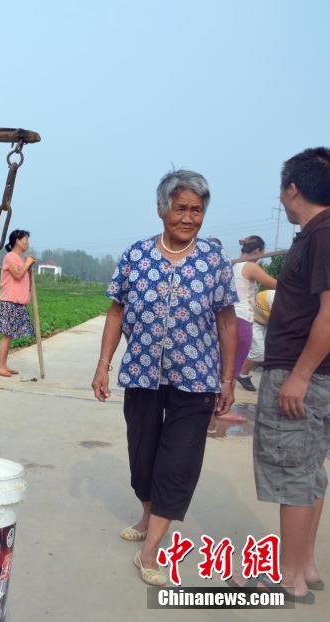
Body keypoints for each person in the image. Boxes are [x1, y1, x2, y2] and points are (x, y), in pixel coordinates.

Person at [90, 169, 237, 586]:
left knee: (179, 460)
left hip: (197, 379)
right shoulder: (136, 255)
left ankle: (150, 550)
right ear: (162, 209)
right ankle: (146, 511)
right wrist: (104, 364)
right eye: (181, 208)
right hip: (141, 374)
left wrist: (227, 380)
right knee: (144, 454)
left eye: (197, 209)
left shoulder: (213, 260)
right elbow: (116, 311)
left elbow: (227, 323)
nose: (189, 217)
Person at [251, 147, 330, 603]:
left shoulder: (323, 235)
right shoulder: (316, 234)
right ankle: (305, 566)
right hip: (312, 373)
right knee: (310, 472)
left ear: (293, 188)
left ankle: (286, 578)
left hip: (302, 375)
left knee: (293, 473)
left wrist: (299, 375)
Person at [231, 236, 278, 392]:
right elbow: (276, 284)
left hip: (230, 316)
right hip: (242, 317)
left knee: (229, 363)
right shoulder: (250, 266)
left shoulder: (233, 264)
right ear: (258, 251)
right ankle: (222, 407)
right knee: (236, 363)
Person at [0, 229, 35, 376]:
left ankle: (3, 365)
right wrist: (27, 263)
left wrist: (27, 265)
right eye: (25, 240)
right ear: (17, 240)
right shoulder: (10, 257)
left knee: (10, 335)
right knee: (7, 335)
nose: (27, 243)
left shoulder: (20, 259)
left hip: (17, 303)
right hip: (9, 301)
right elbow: (17, 275)